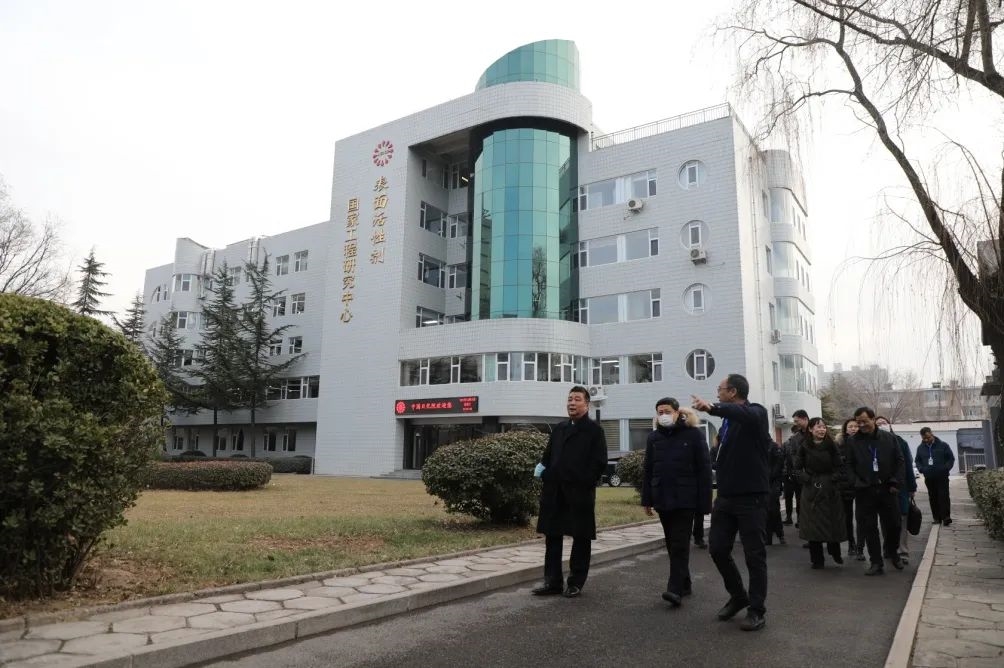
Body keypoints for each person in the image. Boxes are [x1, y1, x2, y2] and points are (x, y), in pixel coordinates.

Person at [692, 373, 770, 632]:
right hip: (726, 497)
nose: (717, 393)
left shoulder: (756, 413)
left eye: (720, 389)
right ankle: (738, 595)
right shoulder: (727, 423)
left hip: (751, 496)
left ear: (733, 392)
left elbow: (743, 414)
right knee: (717, 548)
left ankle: (756, 610)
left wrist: (712, 408)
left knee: (754, 555)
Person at [532, 386, 608, 598]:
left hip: (579, 492)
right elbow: (547, 457)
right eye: (569, 399)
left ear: (587, 404)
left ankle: (575, 582)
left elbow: (599, 463)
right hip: (555, 491)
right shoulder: (560, 428)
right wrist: (545, 474)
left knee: (581, 537)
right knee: (552, 536)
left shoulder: (594, 431)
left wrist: (584, 482)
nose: (572, 403)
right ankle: (552, 582)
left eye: (577, 399)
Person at [641, 398, 713, 607]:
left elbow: (704, 470)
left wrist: (705, 503)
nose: (663, 415)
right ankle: (685, 582)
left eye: (667, 411)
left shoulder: (693, 435)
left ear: (677, 412)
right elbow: (648, 469)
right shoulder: (654, 438)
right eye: (660, 412)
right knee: (672, 543)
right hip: (662, 497)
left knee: (680, 544)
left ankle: (675, 589)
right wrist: (647, 499)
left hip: (685, 498)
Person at [845, 407, 905, 575]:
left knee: (894, 525)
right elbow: (848, 464)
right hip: (865, 490)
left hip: (887, 488)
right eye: (858, 422)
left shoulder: (889, 438)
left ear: (873, 419)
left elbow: (899, 461)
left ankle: (893, 553)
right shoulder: (853, 441)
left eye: (864, 421)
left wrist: (895, 482)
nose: (861, 425)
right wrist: (856, 482)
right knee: (869, 527)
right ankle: (876, 562)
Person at [794, 418, 847, 568]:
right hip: (811, 488)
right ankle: (817, 559)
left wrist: (833, 479)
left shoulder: (831, 445)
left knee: (833, 521)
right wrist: (806, 479)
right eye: (818, 427)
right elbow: (797, 468)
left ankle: (835, 551)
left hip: (830, 488)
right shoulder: (804, 446)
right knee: (813, 525)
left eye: (823, 427)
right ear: (810, 429)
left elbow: (840, 467)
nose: (822, 430)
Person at [916, 427, 955, 526]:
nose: (926, 440)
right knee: (933, 497)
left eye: (928, 437)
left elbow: (951, 458)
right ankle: (937, 518)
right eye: (924, 438)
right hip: (929, 477)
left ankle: (946, 517)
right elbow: (917, 460)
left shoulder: (943, 445)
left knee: (943, 496)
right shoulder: (920, 448)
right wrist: (922, 469)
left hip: (942, 476)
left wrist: (946, 468)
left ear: (932, 434)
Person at [837, 419, 862, 560]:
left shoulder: (864, 443)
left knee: (862, 517)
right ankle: (851, 543)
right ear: (845, 429)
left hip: (862, 484)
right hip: (845, 485)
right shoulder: (839, 445)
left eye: (856, 426)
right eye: (850, 426)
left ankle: (861, 545)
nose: (853, 428)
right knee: (847, 516)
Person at [782, 410, 809, 526]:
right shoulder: (792, 440)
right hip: (796, 475)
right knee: (797, 498)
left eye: (797, 421)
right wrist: (794, 471)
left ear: (805, 419)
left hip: (814, 475)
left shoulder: (815, 433)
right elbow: (790, 457)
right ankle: (797, 519)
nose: (795, 423)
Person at [766, 439, 787, 546]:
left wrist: (770, 476)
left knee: (773, 509)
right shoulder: (758, 445)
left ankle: (779, 534)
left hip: (773, 482)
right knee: (766, 510)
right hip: (764, 482)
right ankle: (769, 536)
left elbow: (779, 464)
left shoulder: (773, 446)